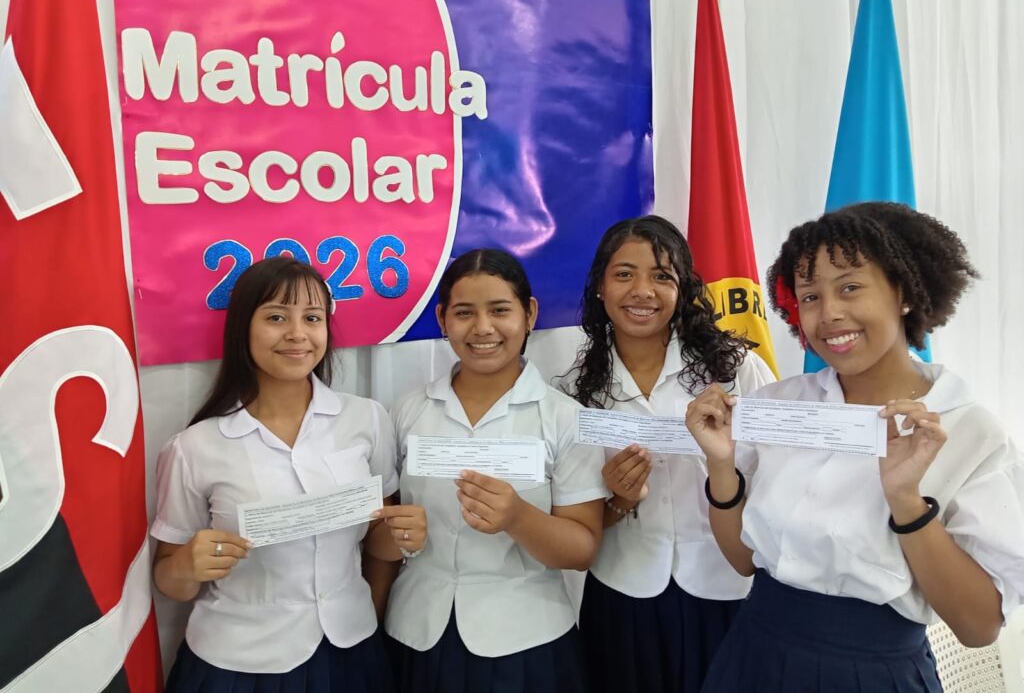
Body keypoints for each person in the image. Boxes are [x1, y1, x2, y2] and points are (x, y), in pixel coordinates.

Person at [686, 202, 1024, 692]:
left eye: (849, 287)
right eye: (810, 296)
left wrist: (906, 501)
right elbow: (743, 561)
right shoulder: (777, 405)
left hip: (873, 673)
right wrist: (721, 465)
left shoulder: (968, 430)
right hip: (754, 654)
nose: (829, 314)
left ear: (903, 292)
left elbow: (978, 628)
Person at [151, 256, 425, 692]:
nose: (297, 333)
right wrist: (187, 564)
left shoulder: (366, 419)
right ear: (244, 328)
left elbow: (379, 539)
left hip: (351, 648)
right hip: (237, 662)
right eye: (276, 317)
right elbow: (170, 582)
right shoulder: (194, 447)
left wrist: (402, 535)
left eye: (312, 318)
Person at [559, 215, 775, 692]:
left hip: (725, 586)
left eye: (661, 276)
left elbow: (779, 486)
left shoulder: (737, 371)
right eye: (624, 274)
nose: (643, 291)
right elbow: (575, 518)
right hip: (622, 593)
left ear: (683, 289)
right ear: (600, 286)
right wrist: (617, 500)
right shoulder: (575, 391)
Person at [384, 248, 606, 693]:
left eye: (500, 310)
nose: (482, 328)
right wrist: (397, 535)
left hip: (526, 638)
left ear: (529, 314)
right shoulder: (408, 411)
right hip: (417, 631)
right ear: (442, 319)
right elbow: (383, 533)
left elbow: (582, 549)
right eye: (464, 312)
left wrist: (518, 518)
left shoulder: (565, 418)